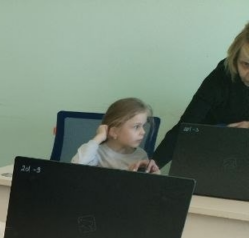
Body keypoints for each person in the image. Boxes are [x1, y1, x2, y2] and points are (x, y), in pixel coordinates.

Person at [154, 21, 249, 168]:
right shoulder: (220, 78)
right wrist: (154, 163)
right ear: (235, 58)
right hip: (210, 147)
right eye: (246, 64)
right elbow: (186, 126)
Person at [71, 98, 159, 172]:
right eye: (136, 127)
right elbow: (74, 169)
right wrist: (98, 138)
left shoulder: (140, 156)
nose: (143, 132)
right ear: (114, 132)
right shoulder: (96, 153)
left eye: (143, 126)